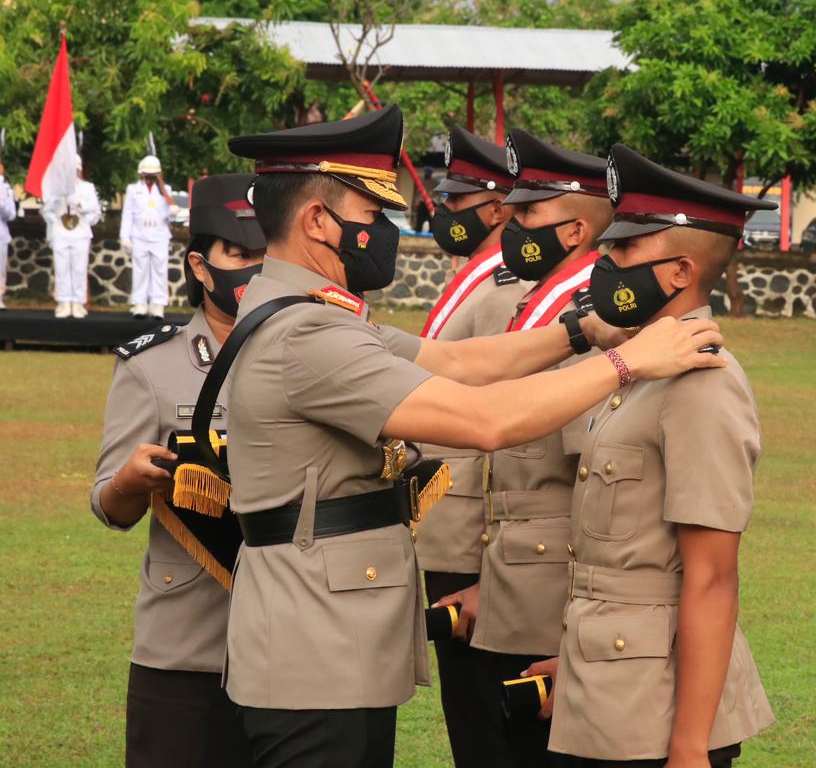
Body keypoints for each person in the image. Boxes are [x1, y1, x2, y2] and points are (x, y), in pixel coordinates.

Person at [221, 105, 722, 768]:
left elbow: (456, 362)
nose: (386, 231)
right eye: (371, 215)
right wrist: (628, 361)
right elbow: (483, 420)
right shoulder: (309, 335)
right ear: (317, 221)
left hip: (326, 638)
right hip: (314, 648)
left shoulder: (309, 316)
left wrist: (580, 333)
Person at [526, 143, 776, 768]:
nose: (605, 263)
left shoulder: (702, 382)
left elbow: (712, 577)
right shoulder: (638, 370)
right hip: (608, 682)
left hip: (657, 715)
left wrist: (690, 746)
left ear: (680, 272)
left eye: (626, 250)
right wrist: (577, 662)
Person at [434, 127, 614, 766]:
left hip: (542, 589)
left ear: (575, 230)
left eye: (528, 214)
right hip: (503, 573)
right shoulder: (537, 300)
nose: (509, 226)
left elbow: (590, 491)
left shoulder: (592, 319)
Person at [91, 173, 266, 767]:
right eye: (238, 254)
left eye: (266, 256)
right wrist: (128, 482)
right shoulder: (152, 367)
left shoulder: (308, 355)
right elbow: (109, 506)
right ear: (200, 265)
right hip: (189, 640)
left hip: (291, 638)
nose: (253, 271)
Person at [416, 123, 527, 767]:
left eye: (458, 200)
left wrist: (494, 568)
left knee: (486, 717)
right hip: (450, 529)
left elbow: (508, 430)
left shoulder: (503, 287)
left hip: (476, 543)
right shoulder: (476, 278)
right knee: (469, 710)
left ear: (495, 209)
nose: (445, 210)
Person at [41, 155, 102, 318]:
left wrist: (81, 207)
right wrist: (57, 220)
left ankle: (78, 303)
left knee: (79, 269)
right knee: (61, 269)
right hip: (61, 232)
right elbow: (46, 211)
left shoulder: (87, 187)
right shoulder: (55, 188)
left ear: (78, 170)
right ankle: (64, 302)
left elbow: (95, 212)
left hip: (80, 232)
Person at [122, 155, 177, 319]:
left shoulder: (165, 189)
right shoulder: (133, 190)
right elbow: (127, 214)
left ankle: (158, 305)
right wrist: (125, 236)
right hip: (139, 234)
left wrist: (173, 211)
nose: (150, 177)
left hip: (159, 234)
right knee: (140, 270)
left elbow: (169, 215)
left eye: (153, 174)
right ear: (141, 173)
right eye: (148, 174)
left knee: (160, 270)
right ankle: (139, 304)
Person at [0, 158, 15, 310]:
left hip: (1, 234)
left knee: (0, 268)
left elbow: (11, 215)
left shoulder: (6, 189)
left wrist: (2, 206)